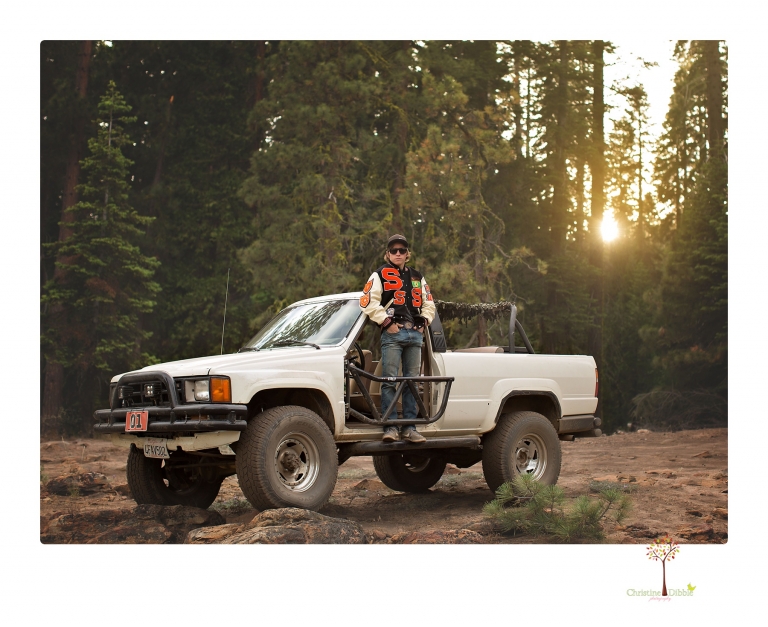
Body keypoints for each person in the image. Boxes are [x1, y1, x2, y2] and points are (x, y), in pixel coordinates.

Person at [360, 234, 436, 443]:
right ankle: (391, 427)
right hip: (392, 334)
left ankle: (409, 428)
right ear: (387, 254)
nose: (398, 253)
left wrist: (424, 322)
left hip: (415, 335)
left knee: (412, 382)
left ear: (407, 254)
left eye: (402, 250)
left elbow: (429, 303)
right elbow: (367, 302)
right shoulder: (379, 275)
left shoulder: (417, 277)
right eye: (394, 250)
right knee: (389, 381)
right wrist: (387, 323)